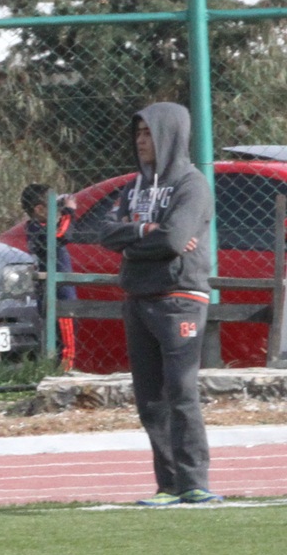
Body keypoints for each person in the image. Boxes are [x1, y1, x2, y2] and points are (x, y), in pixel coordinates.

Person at [100, 102, 222, 506]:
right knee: (149, 398)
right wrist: (144, 232)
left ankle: (194, 482)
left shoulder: (192, 185)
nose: (141, 141)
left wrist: (133, 242)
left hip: (179, 299)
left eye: (148, 133)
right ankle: (168, 485)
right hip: (138, 297)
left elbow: (174, 239)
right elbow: (105, 233)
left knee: (181, 391)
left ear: (169, 135)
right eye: (138, 133)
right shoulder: (133, 187)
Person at [21, 183, 78, 371]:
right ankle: (64, 371)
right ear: (39, 210)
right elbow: (61, 236)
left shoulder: (41, 227)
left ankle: (58, 368)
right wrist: (69, 212)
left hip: (57, 291)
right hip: (58, 294)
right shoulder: (37, 229)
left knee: (62, 336)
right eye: (54, 206)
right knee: (65, 339)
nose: (59, 210)